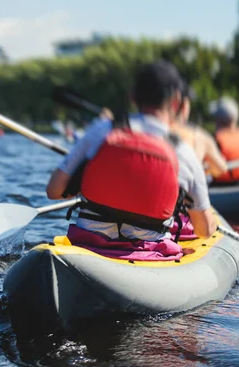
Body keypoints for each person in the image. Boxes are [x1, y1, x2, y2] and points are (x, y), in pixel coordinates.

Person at [46, 60, 217, 240]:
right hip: (149, 256)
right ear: (175, 102)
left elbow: (54, 191)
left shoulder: (101, 130)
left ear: (133, 96)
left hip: (90, 245)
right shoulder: (184, 151)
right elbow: (204, 231)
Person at [170, 82, 228, 179]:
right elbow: (222, 168)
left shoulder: (150, 132)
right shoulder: (200, 137)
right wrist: (203, 168)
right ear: (184, 106)